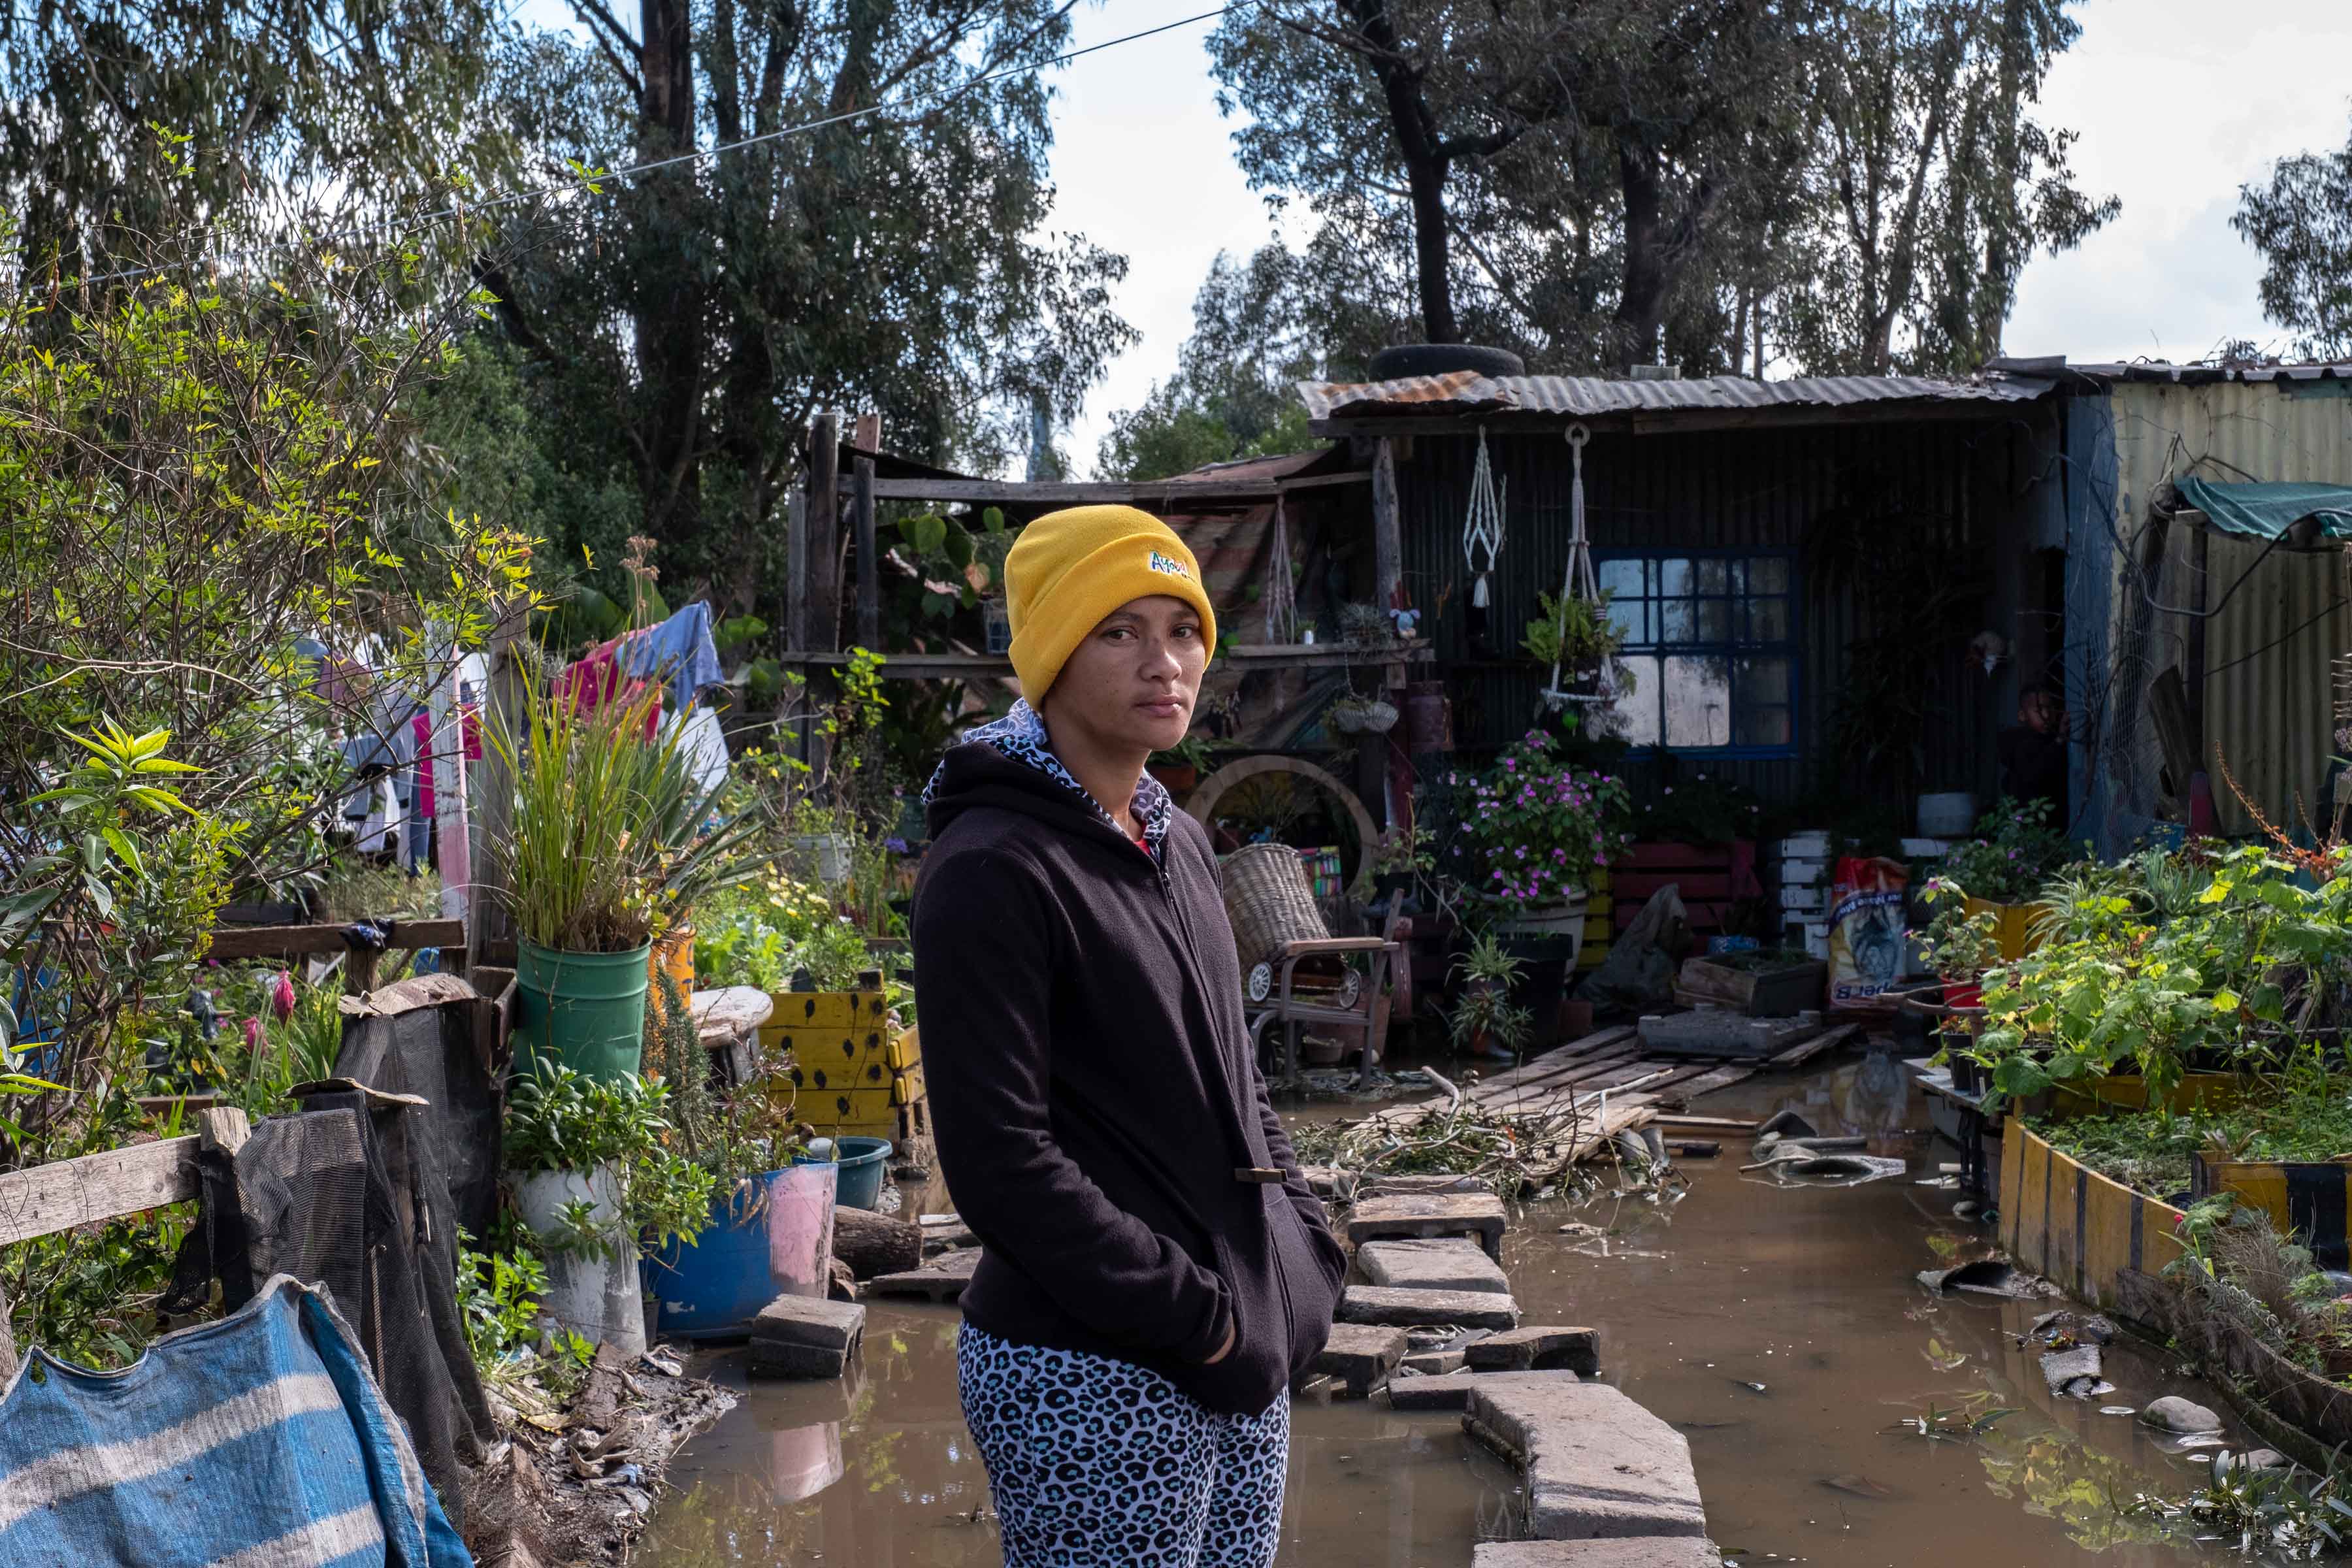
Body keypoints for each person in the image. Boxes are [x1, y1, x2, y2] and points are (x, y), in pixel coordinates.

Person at [914, 505, 1347, 1568]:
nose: (1167, 662)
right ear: (1053, 653)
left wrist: (1303, 1255)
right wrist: (1196, 1317)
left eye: (1184, 627)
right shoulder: (991, 870)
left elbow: (1239, 1088)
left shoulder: (1181, 841)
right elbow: (1002, 1166)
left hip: (1239, 1354)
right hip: (1088, 1372)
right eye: (1120, 631)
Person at [1997, 685, 2067, 813]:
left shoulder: (2053, 738)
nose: (2046, 715)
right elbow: (2035, 774)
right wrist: (2059, 740)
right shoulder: (2020, 744)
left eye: (2050, 708)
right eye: (2039, 710)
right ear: (2023, 716)